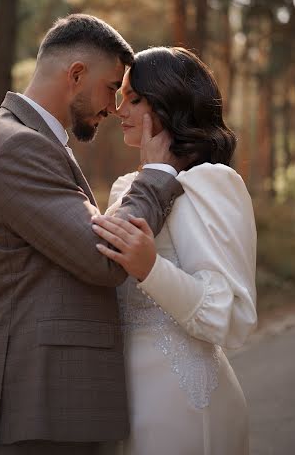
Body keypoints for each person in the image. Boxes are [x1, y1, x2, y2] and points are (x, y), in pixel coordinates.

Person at [0, 16, 186, 455]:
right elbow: (104, 255)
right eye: (111, 88)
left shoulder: (27, 140)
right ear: (77, 74)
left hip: (48, 404)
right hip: (41, 409)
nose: (115, 107)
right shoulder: (17, 146)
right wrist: (158, 174)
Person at [92, 46, 258, 455]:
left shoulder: (212, 183)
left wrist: (151, 269)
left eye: (133, 98)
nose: (118, 109)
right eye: (120, 96)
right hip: (118, 400)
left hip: (182, 400)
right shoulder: (124, 189)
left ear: (168, 103)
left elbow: (231, 316)